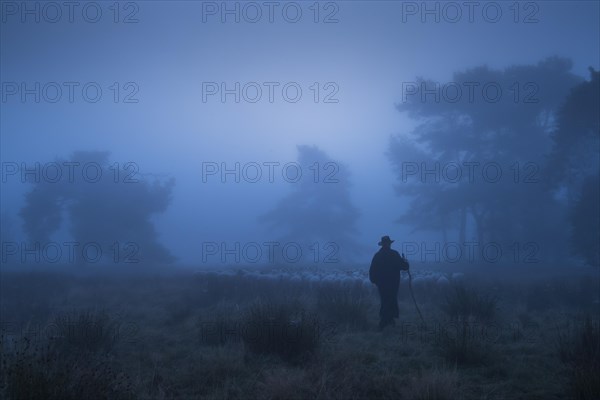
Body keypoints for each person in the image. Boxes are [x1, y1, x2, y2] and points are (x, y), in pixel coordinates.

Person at [369, 235, 409, 330]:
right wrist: (405, 262)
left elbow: (372, 270)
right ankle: (384, 322)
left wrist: (375, 280)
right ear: (389, 244)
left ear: (382, 245)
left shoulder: (377, 255)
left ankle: (388, 320)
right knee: (391, 300)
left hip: (382, 284)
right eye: (388, 243)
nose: (388, 245)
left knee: (385, 300)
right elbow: (404, 267)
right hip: (393, 283)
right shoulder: (394, 254)